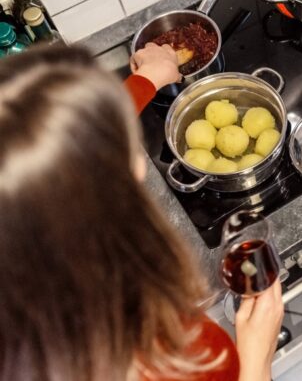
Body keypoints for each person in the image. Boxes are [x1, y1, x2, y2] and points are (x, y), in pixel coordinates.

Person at [0, 46, 284, 381]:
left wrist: (148, 79)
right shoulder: (169, 359)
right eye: (125, 161)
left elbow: (46, 138)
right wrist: (256, 360)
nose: (138, 165)